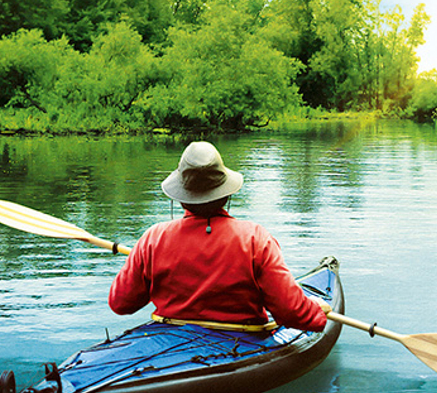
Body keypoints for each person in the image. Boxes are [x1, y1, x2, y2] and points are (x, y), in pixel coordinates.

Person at [108, 141, 328, 332]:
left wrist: (143, 259)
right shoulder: (255, 239)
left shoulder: (152, 239)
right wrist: (317, 311)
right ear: (225, 194)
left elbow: (121, 303)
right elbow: (292, 313)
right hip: (243, 337)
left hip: (169, 335)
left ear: (182, 197)